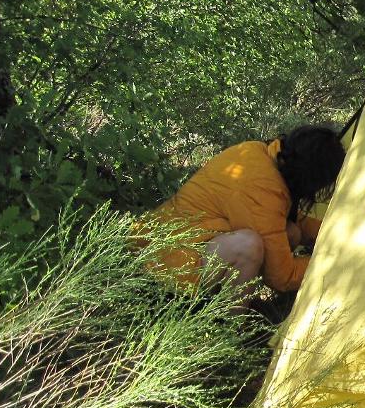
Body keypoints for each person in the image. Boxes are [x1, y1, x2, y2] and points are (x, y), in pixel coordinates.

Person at [144, 125, 345, 298]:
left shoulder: (262, 154)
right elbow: (282, 277)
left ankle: (229, 298)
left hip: (186, 241)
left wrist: (333, 233)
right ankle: (228, 328)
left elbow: (277, 219)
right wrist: (333, 263)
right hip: (164, 263)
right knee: (248, 246)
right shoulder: (262, 186)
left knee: (291, 231)